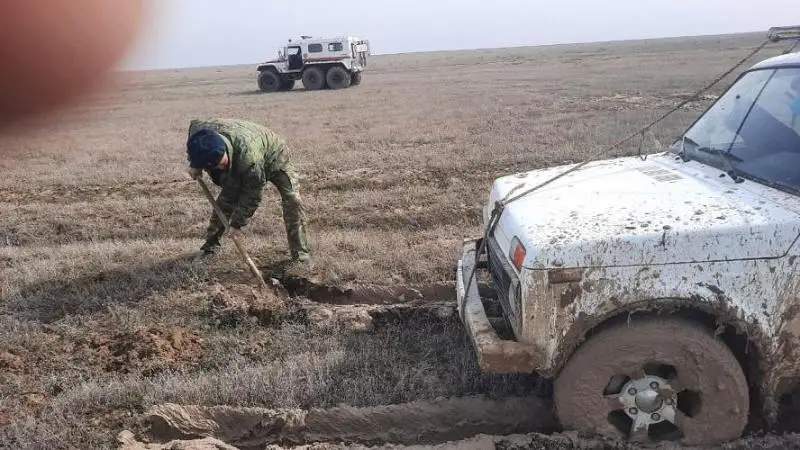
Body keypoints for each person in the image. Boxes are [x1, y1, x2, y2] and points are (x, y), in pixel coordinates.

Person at [186, 118, 312, 267]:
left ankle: (301, 257)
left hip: (275, 154)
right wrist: (195, 164)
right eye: (214, 166)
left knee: (293, 200)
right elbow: (195, 142)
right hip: (240, 153)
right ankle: (210, 247)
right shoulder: (199, 131)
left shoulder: (249, 158)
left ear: (223, 149)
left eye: (221, 162)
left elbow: (253, 194)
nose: (220, 167)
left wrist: (237, 224)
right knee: (227, 199)